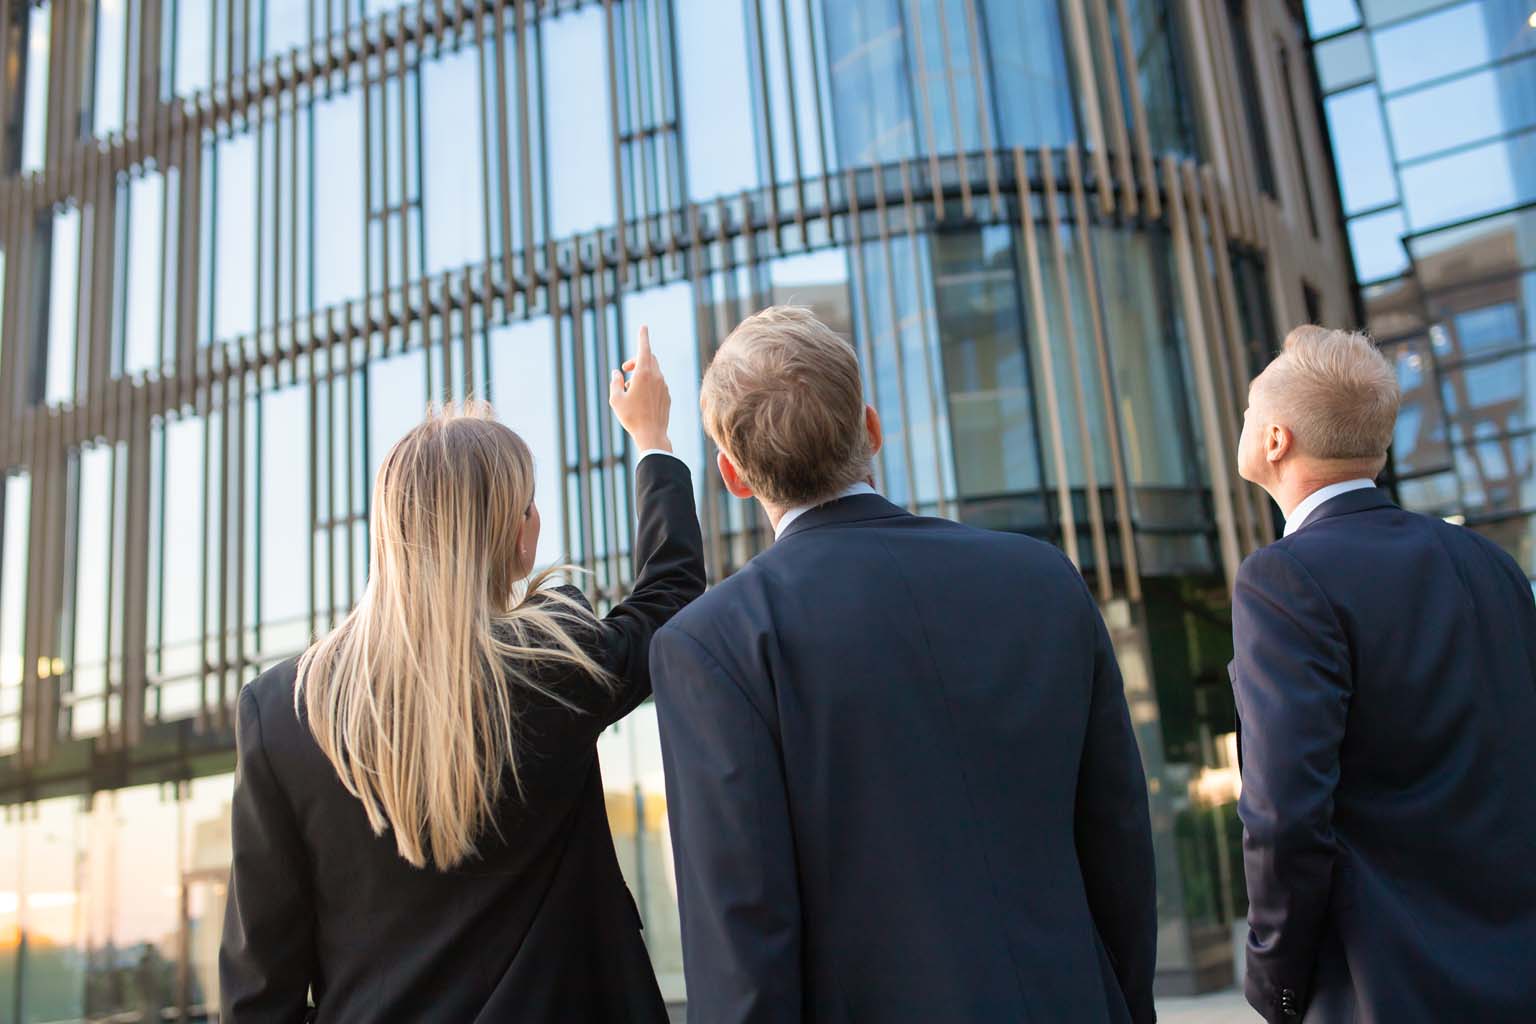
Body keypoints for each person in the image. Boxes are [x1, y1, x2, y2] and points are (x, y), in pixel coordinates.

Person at [649, 306, 1157, 1024]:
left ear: (733, 475)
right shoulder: (1043, 579)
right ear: (872, 429)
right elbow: (1119, 852)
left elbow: (743, 948)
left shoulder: (715, 644)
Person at [219, 329, 704, 1022]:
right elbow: (669, 597)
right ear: (514, 536)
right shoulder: (553, 666)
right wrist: (651, 436)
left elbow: (259, 989)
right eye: (530, 505)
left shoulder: (282, 712)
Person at [1231, 326, 1536, 1023]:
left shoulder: (1283, 578)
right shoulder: (1489, 562)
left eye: (1248, 413)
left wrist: (1275, 986)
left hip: (1381, 989)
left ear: (1275, 440)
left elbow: (1285, 816)